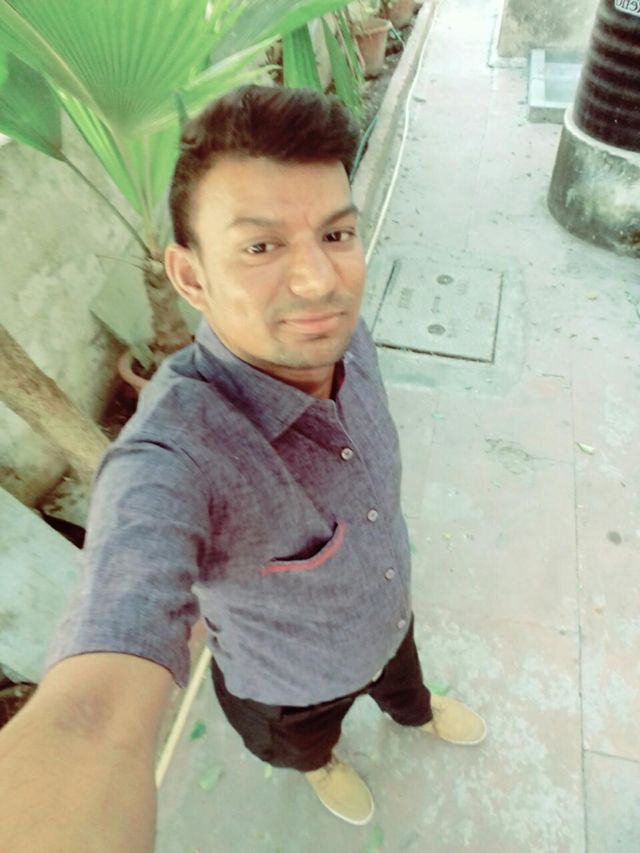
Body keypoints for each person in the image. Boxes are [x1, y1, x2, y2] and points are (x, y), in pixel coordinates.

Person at [0, 85, 486, 851]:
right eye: (261, 247)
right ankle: (320, 763)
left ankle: (415, 710)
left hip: (389, 618)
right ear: (190, 277)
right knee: (306, 744)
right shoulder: (173, 456)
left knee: (405, 683)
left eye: (336, 234)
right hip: (289, 689)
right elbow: (90, 717)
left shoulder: (342, 336)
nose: (320, 280)